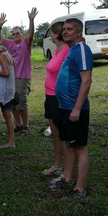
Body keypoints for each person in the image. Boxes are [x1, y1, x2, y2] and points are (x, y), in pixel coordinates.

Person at [51, 18, 93, 200]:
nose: (65, 32)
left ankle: (80, 189)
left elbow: (87, 80)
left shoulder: (82, 49)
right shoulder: (71, 50)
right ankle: (67, 178)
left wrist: (77, 108)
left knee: (80, 148)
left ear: (79, 32)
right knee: (68, 144)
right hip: (64, 107)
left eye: (70, 29)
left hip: (75, 109)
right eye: (64, 29)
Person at [0, 8, 38, 136]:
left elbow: (31, 33)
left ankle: (26, 126)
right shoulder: (9, 44)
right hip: (11, 78)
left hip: (23, 77)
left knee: (22, 103)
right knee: (12, 102)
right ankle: (18, 125)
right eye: (13, 34)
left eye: (18, 33)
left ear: (22, 34)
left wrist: (31, 20)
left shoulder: (26, 43)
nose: (15, 35)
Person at [41, 22, 69, 177]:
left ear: (57, 33)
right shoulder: (57, 50)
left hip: (59, 97)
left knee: (62, 134)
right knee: (55, 133)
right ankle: (57, 165)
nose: (50, 35)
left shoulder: (66, 50)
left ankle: (67, 170)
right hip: (49, 96)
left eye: (51, 33)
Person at [0, 40, 16, 149]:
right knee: (7, 115)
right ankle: (11, 141)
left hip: (2, 91)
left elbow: (6, 73)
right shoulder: (8, 54)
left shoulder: (2, 56)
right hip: (9, 90)